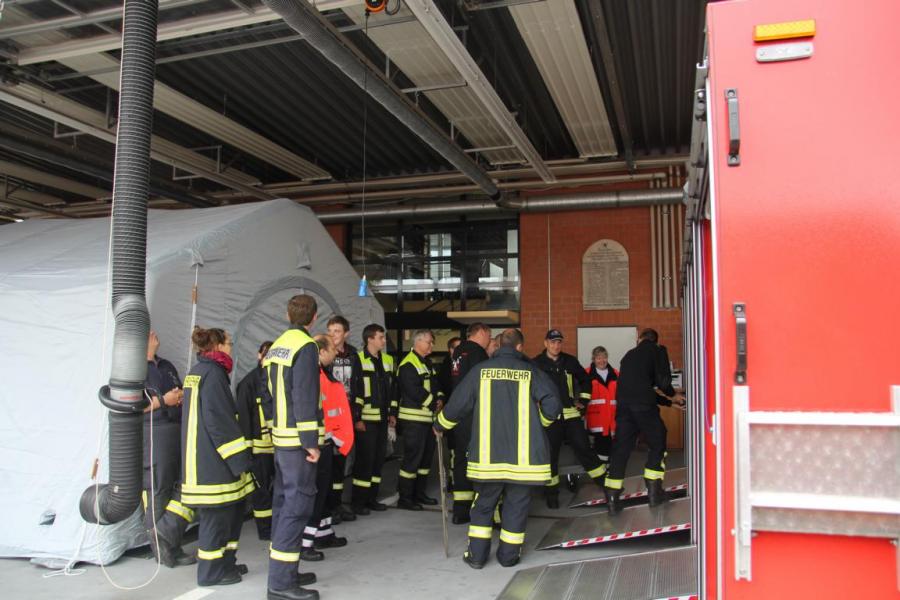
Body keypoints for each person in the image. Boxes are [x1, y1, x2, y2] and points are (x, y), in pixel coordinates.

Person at [435, 328, 560, 569]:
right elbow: (552, 403)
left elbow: (457, 404)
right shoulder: (531, 371)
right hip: (523, 463)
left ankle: (477, 557)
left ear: (498, 344)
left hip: (488, 459)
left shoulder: (480, 371)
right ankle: (508, 557)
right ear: (520, 347)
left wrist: (440, 424)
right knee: (516, 506)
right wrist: (541, 423)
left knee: (483, 507)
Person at [180, 327, 254, 587]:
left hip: (206, 461)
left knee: (230, 516)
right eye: (229, 343)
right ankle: (211, 573)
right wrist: (240, 462)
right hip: (214, 464)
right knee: (216, 521)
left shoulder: (198, 372)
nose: (232, 348)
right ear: (218, 346)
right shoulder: (213, 375)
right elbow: (220, 423)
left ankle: (226, 563)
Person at [264, 295, 321, 600]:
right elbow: (305, 396)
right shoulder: (306, 347)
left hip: (280, 439)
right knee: (297, 507)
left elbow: (268, 392)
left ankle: (285, 570)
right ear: (313, 318)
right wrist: (311, 443)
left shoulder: (276, 346)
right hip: (298, 443)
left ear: (288, 314)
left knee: (283, 506)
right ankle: (281, 585)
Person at [604, 329, 685, 515]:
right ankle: (654, 492)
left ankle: (612, 497)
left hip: (624, 406)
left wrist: (667, 402)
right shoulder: (658, 351)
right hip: (643, 407)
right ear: (656, 341)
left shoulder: (629, 355)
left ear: (639, 339)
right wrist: (674, 395)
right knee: (658, 440)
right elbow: (663, 382)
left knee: (621, 448)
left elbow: (640, 388)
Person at [533, 329, 608, 508]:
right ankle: (552, 494)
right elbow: (530, 387)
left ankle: (605, 484)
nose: (556, 345)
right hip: (549, 418)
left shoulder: (570, 361)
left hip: (571, 415)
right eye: (552, 342)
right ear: (545, 343)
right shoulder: (536, 363)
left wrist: (583, 400)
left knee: (584, 449)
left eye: (559, 342)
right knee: (550, 456)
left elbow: (586, 380)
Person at [143, 330, 195, 568]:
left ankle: (172, 540)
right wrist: (165, 401)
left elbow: (176, 391)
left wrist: (180, 397)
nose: (154, 333)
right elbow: (133, 406)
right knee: (160, 487)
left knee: (179, 485)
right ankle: (160, 548)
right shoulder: (135, 370)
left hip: (176, 428)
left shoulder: (166, 365)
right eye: (148, 332)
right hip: (155, 431)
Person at [300, 334, 352, 561]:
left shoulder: (322, 374)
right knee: (316, 494)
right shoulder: (315, 377)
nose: (336, 352)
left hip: (329, 443)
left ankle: (324, 533)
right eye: (332, 348)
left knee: (326, 493)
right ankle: (305, 543)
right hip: (320, 445)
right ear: (321, 352)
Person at [349, 323, 397, 515]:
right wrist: (357, 418)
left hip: (383, 419)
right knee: (364, 461)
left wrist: (392, 413)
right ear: (369, 339)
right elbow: (355, 391)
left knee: (378, 461)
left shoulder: (387, 360)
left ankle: (371, 499)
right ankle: (358, 502)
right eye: (381, 337)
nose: (384, 341)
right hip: (366, 420)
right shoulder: (358, 359)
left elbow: (393, 389)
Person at [447, 322, 492, 524]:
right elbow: (482, 384)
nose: (489, 341)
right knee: (478, 459)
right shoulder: (477, 353)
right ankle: (479, 508)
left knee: (460, 460)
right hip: (475, 414)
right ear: (481, 333)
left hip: (459, 413)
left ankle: (460, 509)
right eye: (489, 336)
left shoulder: (458, 350)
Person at [396, 329, 443, 511]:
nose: (431, 345)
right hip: (413, 420)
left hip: (427, 420)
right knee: (412, 460)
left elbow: (435, 384)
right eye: (429, 342)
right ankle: (405, 498)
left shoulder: (426, 363)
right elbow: (413, 389)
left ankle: (419, 493)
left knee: (424, 462)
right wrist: (433, 402)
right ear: (418, 342)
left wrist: (440, 397)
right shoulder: (408, 364)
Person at [235, 340, 275, 540]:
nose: (268, 358)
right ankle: (265, 530)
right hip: (259, 449)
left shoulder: (278, 378)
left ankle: (276, 524)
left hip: (280, 446)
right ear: (259, 355)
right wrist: (248, 450)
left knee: (277, 489)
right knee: (262, 490)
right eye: (266, 354)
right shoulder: (248, 383)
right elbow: (243, 419)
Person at [325, 316, 357, 524]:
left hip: (347, 415)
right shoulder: (322, 353)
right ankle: (329, 507)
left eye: (337, 331)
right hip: (329, 419)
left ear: (345, 334)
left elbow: (359, 384)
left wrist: (358, 414)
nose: (333, 335)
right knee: (329, 465)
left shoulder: (354, 355)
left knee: (342, 463)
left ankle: (337, 504)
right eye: (330, 330)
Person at [584, 346, 618, 466]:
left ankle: (608, 470)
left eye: (604, 357)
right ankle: (602, 472)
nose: (602, 361)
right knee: (600, 447)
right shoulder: (586, 374)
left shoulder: (616, 374)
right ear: (593, 359)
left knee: (612, 448)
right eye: (598, 358)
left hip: (612, 420)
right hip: (596, 420)